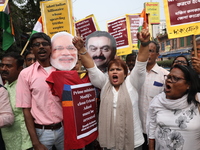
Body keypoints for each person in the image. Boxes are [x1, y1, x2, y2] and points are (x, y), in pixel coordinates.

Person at [73, 29, 150, 150]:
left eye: (118, 70)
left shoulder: (133, 82)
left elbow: (140, 64)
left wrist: (145, 44)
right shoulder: (104, 83)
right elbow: (91, 67)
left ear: (125, 74)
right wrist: (81, 49)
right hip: (110, 143)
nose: (115, 72)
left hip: (133, 142)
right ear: (108, 73)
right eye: (112, 70)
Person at [16, 32, 64, 150]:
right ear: (32, 49)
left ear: (50, 47)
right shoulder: (25, 74)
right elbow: (26, 110)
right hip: (42, 133)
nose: (41, 47)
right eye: (37, 45)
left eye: (44, 44)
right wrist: (35, 142)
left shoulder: (62, 70)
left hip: (64, 130)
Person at [147, 65, 200, 150]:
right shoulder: (157, 101)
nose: (168, 80)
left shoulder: (198, 100)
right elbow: (151, 131)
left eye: (175, 78)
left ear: (188, 85)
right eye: (168, 77)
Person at [138, 41, 169, 149]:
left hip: (156, 130)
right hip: (138, 130)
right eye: (145, 51)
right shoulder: (135, 74)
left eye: (151, 51)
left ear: (157, 55)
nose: (147, 54)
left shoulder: (165, 76)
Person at [0, 52, 32, 150]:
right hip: (10, 143)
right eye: (2, 65)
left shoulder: (27, 86)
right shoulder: (4, 88)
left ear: (20, 69)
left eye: (8, 66)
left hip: (28, 142)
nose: (4, 69)